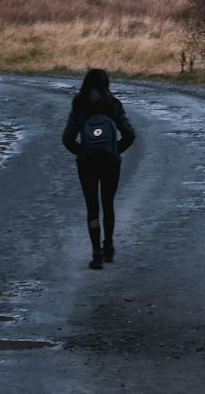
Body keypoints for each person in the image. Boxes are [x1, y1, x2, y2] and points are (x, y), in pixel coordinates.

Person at [61, 67, 136, 269]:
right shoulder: (113, 103)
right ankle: (109, 247)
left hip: (87, 164)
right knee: (108, 204)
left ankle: (96, 254)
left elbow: (67, 138)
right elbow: (129, 135)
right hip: (111, 163)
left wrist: (82, 152)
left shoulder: (78, 104)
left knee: (92, 207)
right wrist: (114, 150)